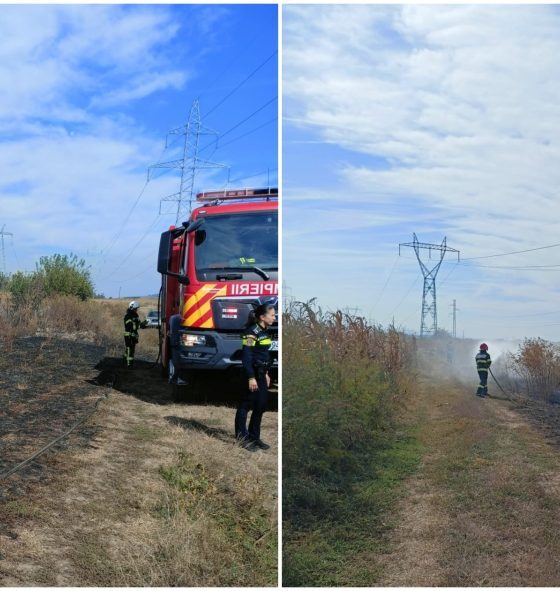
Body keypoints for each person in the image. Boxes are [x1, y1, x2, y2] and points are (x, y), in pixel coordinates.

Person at [235, 303, 276, 451]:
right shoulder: (251, 333)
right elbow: (247, 355)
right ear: (262, 317)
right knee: (245, 405)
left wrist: (265, 373)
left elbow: (263, 354)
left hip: (261, 374)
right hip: (250, 373)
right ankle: (241, 437)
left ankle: (254, 436)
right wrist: (251, 377)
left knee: (261, 405)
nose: (274, 317)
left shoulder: (264, 331)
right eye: (272, 315)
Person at [123, 301, 148, 368]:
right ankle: (129, 365)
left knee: (132, 350)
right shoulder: (127, 316)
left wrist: (144, 324)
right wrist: (139, 326)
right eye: (135, 309)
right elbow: (131, 327)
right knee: (129, 350)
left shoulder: (136, 316)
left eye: (136, 309)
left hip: (134, 336)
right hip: (128, 335)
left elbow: (139, 324)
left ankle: (124, 358)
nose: (136, 310)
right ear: (132, 308)